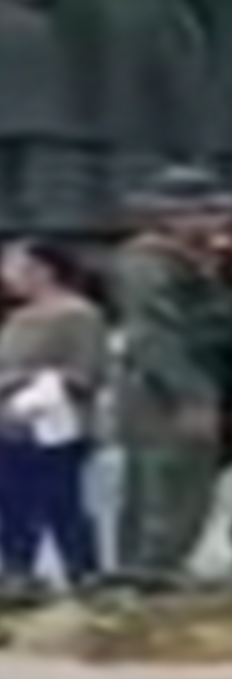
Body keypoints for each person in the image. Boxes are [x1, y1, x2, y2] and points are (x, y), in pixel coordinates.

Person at [0, 238, 113, 594]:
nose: (5, 276)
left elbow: (88, 372)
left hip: (50, 426)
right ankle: (17, 571)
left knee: (61, 504)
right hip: (1, 425)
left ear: (43, 270)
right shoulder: (19, 316)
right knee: (9, 505)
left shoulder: (77, 314)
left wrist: (29, 381)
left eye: (12, 267)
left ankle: (83, 573)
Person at [106, 166, 230, 587]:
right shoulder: (149, 263)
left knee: (178, 500)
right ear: (172, 216)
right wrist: (194, 397)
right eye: (207, 211)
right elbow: (153, 335)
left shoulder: (196, 262)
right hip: (165, 400)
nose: (218, 220)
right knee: (169, 503)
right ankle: (150, 590)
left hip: (187, 392)